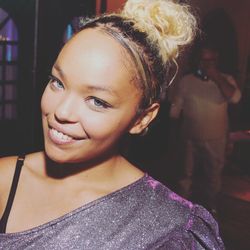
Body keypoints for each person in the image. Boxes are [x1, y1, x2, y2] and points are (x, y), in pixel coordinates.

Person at [0, 0, 224, 249]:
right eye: (57, 82)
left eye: (97, 101)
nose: (60, 112)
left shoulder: (170, 229)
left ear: (142, 119)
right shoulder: (6, 179)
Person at [170, 45, 241, 216]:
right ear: (197, 61)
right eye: (203, 60)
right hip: (190, 137)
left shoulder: (226, 79)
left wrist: (215, 76)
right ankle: (182, 210)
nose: (207, 64)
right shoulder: (187, 81)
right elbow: (174, 112)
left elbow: (235, 98)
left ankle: (211, 207)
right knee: (185, 175)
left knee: (213, 175)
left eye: (211, 60)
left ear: (217, 61)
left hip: (216, 139)